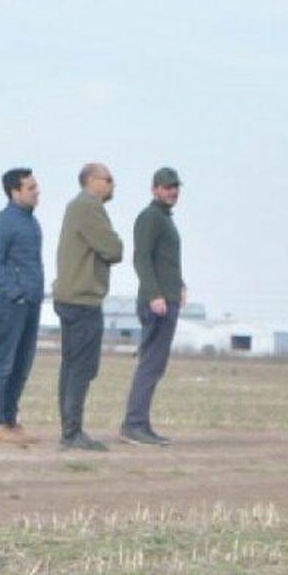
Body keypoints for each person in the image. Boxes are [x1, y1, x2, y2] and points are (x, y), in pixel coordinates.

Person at [51, 162, 124, 451]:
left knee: (72, 366)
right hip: (82, 299)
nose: (112, 184)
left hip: (71, 297)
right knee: (81, 367)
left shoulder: (78, 207)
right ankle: (72, 433)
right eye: (108, 179)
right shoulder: (87, 206)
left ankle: (70, 430)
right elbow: (114, 249)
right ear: (92, 180)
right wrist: (114, 241)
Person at [121, 167, 186, 445]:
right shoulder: (150, 218)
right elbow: (142, 259)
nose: (172, 191)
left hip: (168, 300)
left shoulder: (165, 219)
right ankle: (134, 425)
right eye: (167, 186)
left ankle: (140, 424)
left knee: (155, 365)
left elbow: (166, 261)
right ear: (155, 189)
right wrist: (154, 294)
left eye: (175, 187)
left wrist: (179, 285)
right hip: (156, 303)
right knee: (150, 364)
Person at [0, 167, 44, 444]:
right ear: (15, 192)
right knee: (5, 363)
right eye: (31, 188)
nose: (37, 191)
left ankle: (10, 419)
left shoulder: (32, 223)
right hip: (10, 304)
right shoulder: (2, 222)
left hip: (32, 303)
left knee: (23, 364)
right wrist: (15, 292)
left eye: (36, 186)